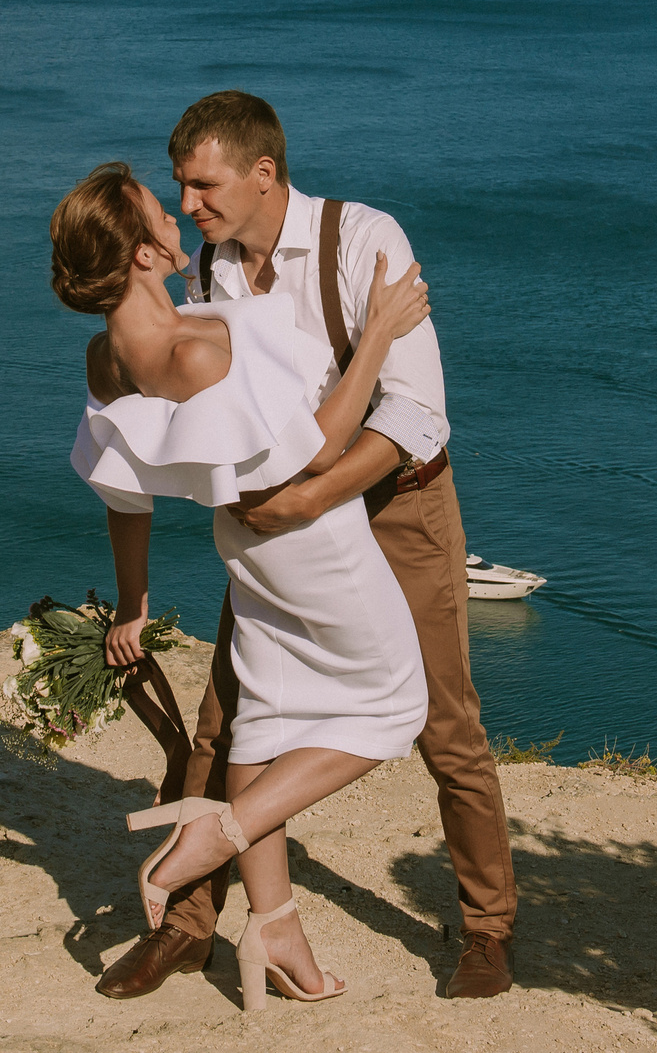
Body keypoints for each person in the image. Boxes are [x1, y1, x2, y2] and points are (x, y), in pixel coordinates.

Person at [96, 90, 518, 1002]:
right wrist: (279, 509)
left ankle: (487, 930)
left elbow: (414, 410)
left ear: (263, 172)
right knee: (225, 721)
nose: (192, 205)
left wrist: (308, 497)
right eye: (179, 189)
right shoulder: (205, 272)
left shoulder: (366, 240)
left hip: (392, 504)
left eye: (202, 186)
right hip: (281, 526)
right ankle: (193, 926)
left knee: (446, 722)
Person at [54, 162, 432, 1011]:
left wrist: (134, 603)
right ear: (146, 254)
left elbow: (125, 497)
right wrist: (378, 332)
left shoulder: (108, 357)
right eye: (161, 211)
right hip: (312, 542)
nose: (178, 215)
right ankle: (212, 835)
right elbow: (320, 448)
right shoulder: (202, 347)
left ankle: (275, 926)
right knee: (395, 710)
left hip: (242, 547)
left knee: (263, 720)